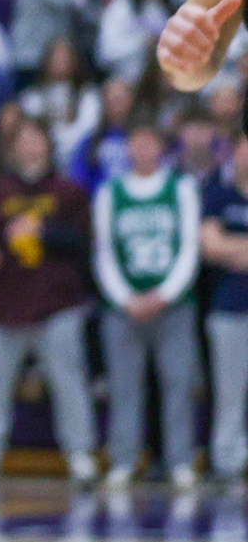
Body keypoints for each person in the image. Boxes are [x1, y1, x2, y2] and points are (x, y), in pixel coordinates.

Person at [0, 117, 99, 483]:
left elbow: (82, 242)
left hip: (55, 303)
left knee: (68, 381)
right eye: (22, 139)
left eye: (36, 138)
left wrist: (43, 231)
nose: (29, 146)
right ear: (13, 148)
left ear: (48, 144)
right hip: (5, 304)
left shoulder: (68, 192)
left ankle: (80, 454)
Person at [93, 117, 202, 490]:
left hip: (174, 305)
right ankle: (123, 459)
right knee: (124, 387)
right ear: (127, 149)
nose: (142, 150)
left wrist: (164, 295)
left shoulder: (181, 188)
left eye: (149, 142)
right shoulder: (110, 192)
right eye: (136, 142)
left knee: (178, 384)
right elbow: (104, 254)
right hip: (123, 309)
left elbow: (189, 248)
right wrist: (127, 298)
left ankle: (181, 461)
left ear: (161, 148)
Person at [197, 132, 248, 487]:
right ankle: (228, 464)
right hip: (229, 309)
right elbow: (210, 246)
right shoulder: (218, 195)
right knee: (229, 392)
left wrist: (235, 249)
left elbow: (222, 245)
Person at [100, 0, 175, 81]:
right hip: (124, 79)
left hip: (160, 81)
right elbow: (106, 52)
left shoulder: (167, 9)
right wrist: (142, 42)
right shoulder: (121, 7)